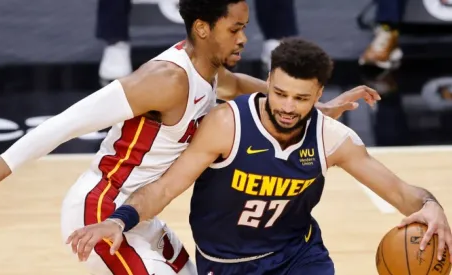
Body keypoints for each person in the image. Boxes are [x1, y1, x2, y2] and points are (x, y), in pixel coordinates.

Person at [0, 1, 380, 274]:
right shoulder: (164, 80)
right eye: (235, 29)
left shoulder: (211, 71)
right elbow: (63, 124)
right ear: (203, 28)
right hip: (101, 208)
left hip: (139, 213)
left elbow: (240, 86)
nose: (243, 38)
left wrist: (318, 108)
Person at [66, 38, 452, 274]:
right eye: (279, 93)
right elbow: (164, 188)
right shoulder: (226, 125)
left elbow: (403, 194)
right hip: (225, 265)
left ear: (318, 96)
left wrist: (432, 206)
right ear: (269, 83)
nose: (287, 106)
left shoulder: (332, 138)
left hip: (297, 257)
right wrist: (119, 220)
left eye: (301, 99)